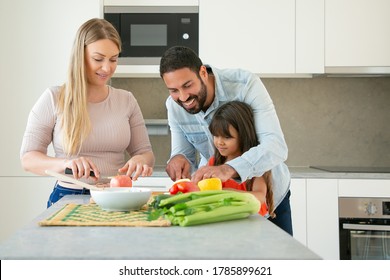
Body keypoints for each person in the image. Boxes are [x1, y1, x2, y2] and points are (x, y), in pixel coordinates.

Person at [20, 18, 155, 207]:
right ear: (80, 55)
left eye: (114, 59)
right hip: (68, 196)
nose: (107, 68)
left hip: (116, 196)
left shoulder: (127, 100)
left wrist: (140, 159)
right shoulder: (53, 98)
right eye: (98, 59)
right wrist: (65, 164)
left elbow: (145, 153)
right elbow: (28, 159)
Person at [159, 46, 292, 235]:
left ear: (203, 72)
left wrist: (228, 169)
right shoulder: (174, 106)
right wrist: (178, 159)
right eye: (173, 90)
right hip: (219, 206)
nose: (183, 97)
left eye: (188, 86)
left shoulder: (245, 84)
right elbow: (183, 154)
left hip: (270, 200)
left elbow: (276, 146)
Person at [208, 101, 275, 218]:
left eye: (227, 137)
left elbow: (260, 196)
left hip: (252, 220)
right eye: (216, 135)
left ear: (243, 136)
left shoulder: (255, 163)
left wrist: (225, 193)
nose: (219, 142)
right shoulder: (214, 162)